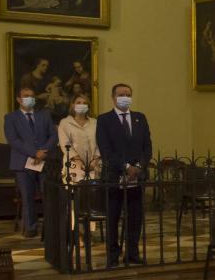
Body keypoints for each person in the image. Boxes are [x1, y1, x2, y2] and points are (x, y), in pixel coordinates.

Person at [96, 84, 152, 266]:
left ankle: (132, 253)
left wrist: (138, 166)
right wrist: (125, 166)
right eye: (121, 94)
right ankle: (113, 256)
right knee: (113, 218)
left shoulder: (139, 118)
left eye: (128, 94)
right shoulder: (104, 120)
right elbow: (105, 149)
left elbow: (147, 146)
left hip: (137, 177)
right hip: (114, 176)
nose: (125, 97)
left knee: (135, 218)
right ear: (113, 97)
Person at [5, 86, 55, 238]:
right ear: (19, 99)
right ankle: (31, 228)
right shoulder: (10, 118)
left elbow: (53, 135)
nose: (30, 98)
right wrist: (34, 153)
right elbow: (13, 140)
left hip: (44, 161)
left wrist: (43, 151)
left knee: (48, 196)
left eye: (32, 96)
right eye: (26, 96)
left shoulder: (44, 115)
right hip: (22, 162)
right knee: (27, 197)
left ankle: (50, 228)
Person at [57, 93, 100, 182]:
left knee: (93, 192)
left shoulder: (95, 122)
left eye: (85, 103)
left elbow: (100, 143)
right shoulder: (65, 123)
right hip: (73, 164)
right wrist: (79, 161)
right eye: (78, 102)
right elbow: (65, 144)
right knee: (76, 193)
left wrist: (94, 160)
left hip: (93, 164)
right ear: (72, 105)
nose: (82, 105)